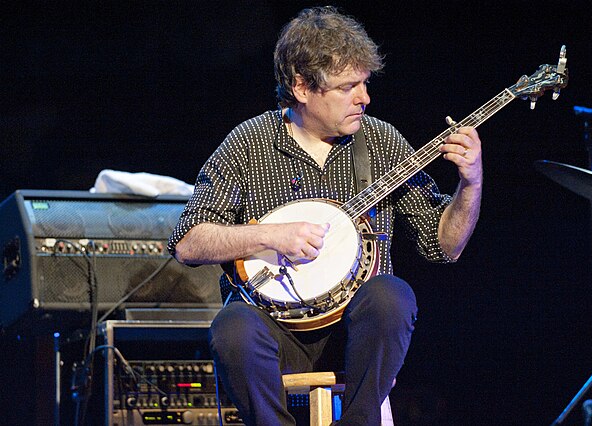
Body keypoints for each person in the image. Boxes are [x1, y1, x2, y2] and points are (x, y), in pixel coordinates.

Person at [168, 6, 482, 425]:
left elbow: (444, 245)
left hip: (354, 334)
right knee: (232, 328)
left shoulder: (381, 142)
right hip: (274, 331)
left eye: (365, 83)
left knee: (392, 296)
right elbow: (188, 241)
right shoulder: (249, 144)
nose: (364, 97)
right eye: (348, 86)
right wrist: (269, 236)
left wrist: (471, 183)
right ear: (301, 87)